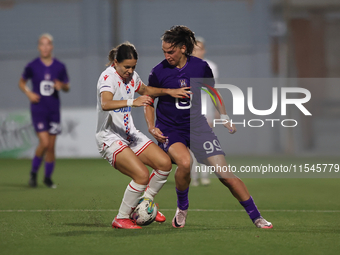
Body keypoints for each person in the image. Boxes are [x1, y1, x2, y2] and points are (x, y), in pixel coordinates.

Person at [145, 25, 273, 229]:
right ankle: (182, 208)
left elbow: (212, 92)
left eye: (171, 51)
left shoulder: (200, 67)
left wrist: (224, 115)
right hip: (170, 128)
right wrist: (152, 127)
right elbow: (148, 100)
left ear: (183, 48)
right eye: (164, 51)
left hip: (197, 126)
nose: (167, 55)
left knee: (225, 174)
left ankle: (257, 217)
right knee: (185, 163)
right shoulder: (158, 71)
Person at [95, 42, 191, 229]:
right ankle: (121, 218)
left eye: (133, 67)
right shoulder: (108, 77)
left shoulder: (132, 77)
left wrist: (170, 92)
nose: (130, 71)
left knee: (164, 164)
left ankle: (143, 205)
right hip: (110, 137)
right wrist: (133, 101)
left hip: (129, 134)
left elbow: (146, 91)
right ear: (116, 62)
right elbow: (105, 103)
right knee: (141, 175)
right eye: (127, 67)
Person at [19, 33, 70, 189]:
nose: (45, 47)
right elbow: (22, 82)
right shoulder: (32, 65)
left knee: (51, 146)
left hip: (54, 110)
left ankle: (47, 178)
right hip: (39, 109)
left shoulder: (59, 66)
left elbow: (67, 87)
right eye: (42, 44)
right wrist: (28, 93)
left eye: (48, 44)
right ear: (39, 47)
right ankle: (34, 173)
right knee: (45, 142)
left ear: (51, 46)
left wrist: (61, 85)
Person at [190, 36, 220, 186]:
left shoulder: (211, 66)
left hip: (206, 108)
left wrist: (216, 111)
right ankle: (193, 176)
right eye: (194, 49)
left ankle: (205, 175)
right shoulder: (184, 66)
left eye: (199, 49)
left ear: (204, 50)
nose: (197, 52)